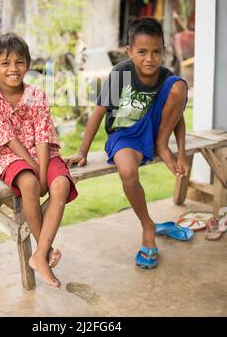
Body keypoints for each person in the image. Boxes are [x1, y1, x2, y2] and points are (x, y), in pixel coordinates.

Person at [68, 17, 189, 269]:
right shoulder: (120, 74)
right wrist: (82, 152)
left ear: (164, 52)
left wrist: (181, 153)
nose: (150, 59)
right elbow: (99, 113)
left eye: (156, 52)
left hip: (155, 131)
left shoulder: (166, 78)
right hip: (124, 135)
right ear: (130, 51)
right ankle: (148, 226)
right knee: (127, 170)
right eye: (142, 52)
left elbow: (179, 118)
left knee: (179, 86)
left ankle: (161, 144)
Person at [0, 32, 78, 288]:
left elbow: (43, 135)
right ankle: (45, 252)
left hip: (43, 152)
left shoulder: (36, 94)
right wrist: (34, 170)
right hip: (9, 155)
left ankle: (39, 254)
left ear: (28, 64)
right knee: (30, 184)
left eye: (19, 62)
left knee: (60, 185)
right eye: (5, 63)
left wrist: (43, 170)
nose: (13, 69)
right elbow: (8, 138)